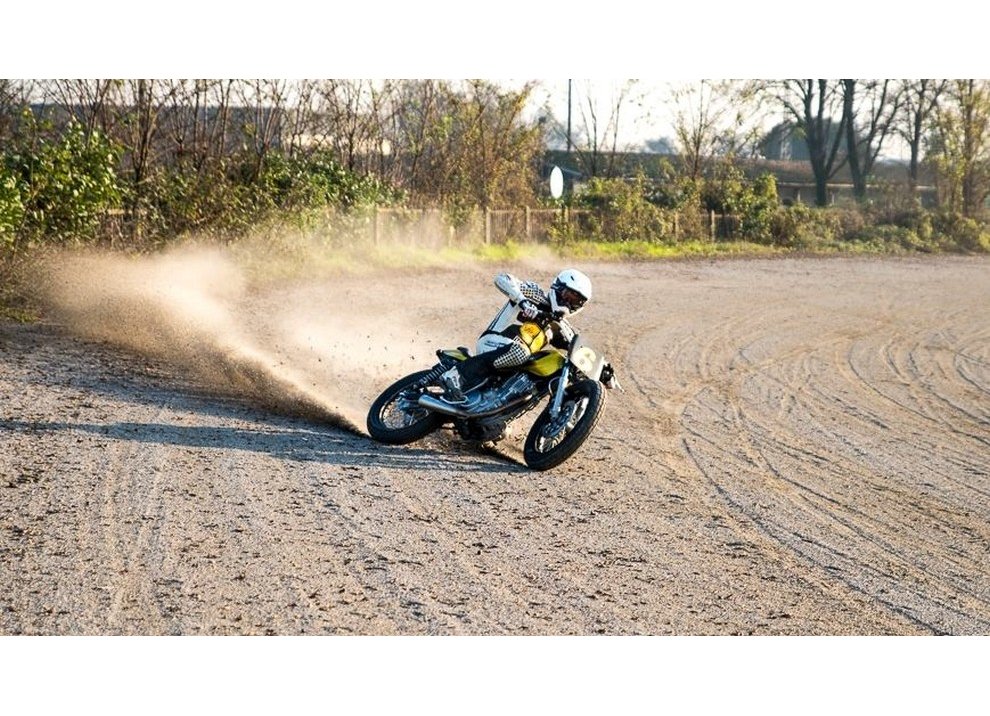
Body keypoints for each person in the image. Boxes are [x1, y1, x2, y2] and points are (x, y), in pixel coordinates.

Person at [439, 268, 593, 403]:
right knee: (520, 352)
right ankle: (455, 374)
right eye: (568, 295)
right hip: (492, 342)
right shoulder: (535, 294)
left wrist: (603, 370)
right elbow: (502, 279)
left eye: (575, 301)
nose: (568, 302)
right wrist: (523, 302)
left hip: (513, 364)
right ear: (558, 287)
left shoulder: (561, 328)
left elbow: (579, 348)